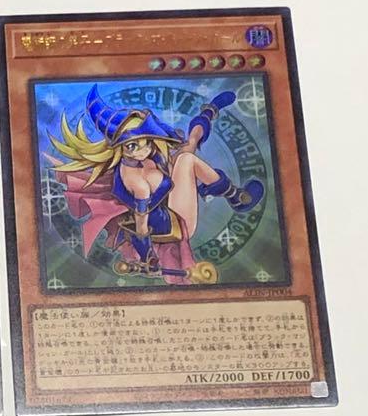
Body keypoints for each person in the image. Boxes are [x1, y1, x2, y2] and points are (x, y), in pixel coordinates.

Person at [46, 84, 264, 284]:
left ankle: (209, 111)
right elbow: (141, 228)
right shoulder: (137, 183)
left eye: (145, 142)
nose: (142, 150)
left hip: (167, 199)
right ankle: (235, 196)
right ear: (120, 147)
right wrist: (147, 257)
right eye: (132, 146)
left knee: (189, 145)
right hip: (175, 223)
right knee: (187, 159)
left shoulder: (145, 157)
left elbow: (160, 159)